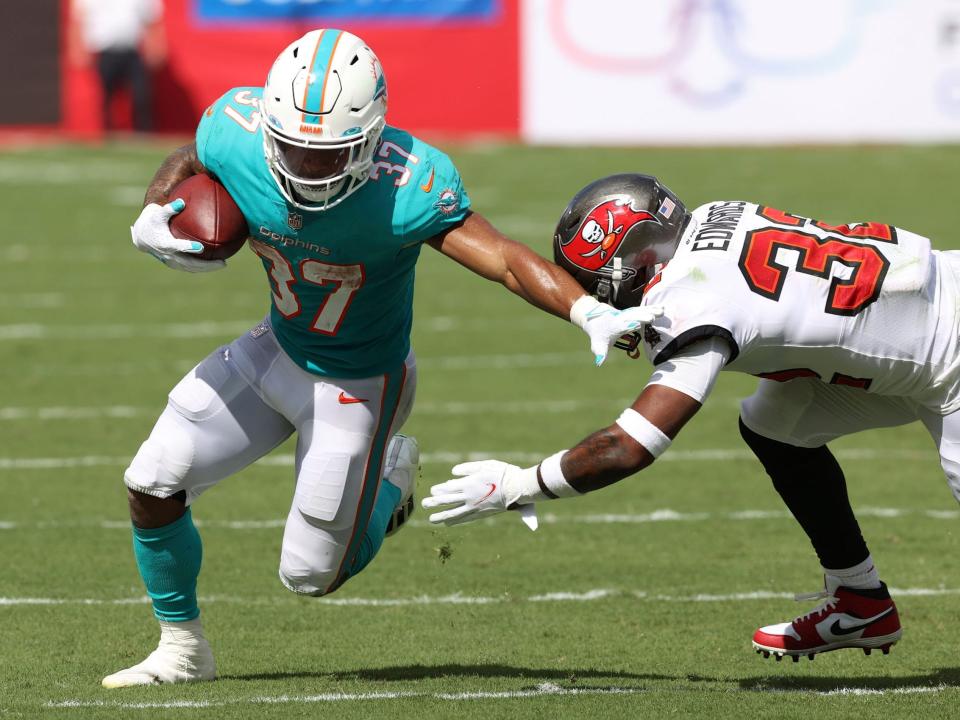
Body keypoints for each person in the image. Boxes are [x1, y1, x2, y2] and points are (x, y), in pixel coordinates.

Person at [103, 31, 658, 688]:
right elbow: (192, 157)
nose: (306, 168)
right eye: (294, 150)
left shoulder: (409, 187)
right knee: (152, 481)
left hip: (359, 382)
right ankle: (182, 647)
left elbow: (504, 258)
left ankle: (391, 481)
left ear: (368, 141)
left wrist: (584, 309)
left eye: (327, 154)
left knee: (309, 575)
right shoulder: (235, 128)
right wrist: (153, 211)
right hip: (275, 347)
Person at [423, 172, 960, 661]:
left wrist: (523, 484)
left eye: (596, 284)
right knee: (776, 425)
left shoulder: (691, 302)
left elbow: (630, 445)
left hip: (949, 359)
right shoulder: (715, 215)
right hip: (930, 310)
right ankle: (859, 598)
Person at [68, 0, 166, 133]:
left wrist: (156, 46)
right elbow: (78, 20)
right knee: (104, 97)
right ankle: (106, 134)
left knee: (141, 94)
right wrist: (77, 48)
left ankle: (144, 134)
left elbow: (151, 20)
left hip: (133, 51)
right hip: (103, 52)